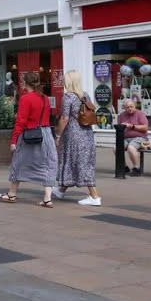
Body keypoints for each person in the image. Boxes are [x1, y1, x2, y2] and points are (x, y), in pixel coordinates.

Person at [0, 71, 56, 207]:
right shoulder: (45, 98)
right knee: (49, 164)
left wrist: (13, 141)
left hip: (29, 135)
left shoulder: (25, 98)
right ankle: (47, 198)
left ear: (25, 83)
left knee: (18, 162)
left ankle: (12, 194)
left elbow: (20, 122)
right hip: (46, 134)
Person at [53, 70, 102, 206]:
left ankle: (94, 196)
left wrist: (57, 135)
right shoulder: (84, 96)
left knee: (79, 163)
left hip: (73, 135)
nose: (63, 81)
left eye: (64, 79)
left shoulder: (68, 97)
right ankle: (61, 190)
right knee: (76, 161)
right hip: (87, 134)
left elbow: (64, 118)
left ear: (69, 81)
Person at [117, 98, 149, 176]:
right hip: (126, 138)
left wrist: (132, 126)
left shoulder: (140, 114)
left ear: (135, 106)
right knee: (116, 148)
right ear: (124, 108)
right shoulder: (121, 116)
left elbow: (145, 128)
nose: (130, 108)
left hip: (140, 138)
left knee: (131, 148)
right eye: (127, 107)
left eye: (131, 106)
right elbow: (119, 128)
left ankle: (136, 168)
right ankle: (124, 167)